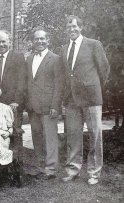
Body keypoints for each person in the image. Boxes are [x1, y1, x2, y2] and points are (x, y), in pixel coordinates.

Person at [62, 15, 110, 185]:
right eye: (69, 27)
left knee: (94, 135)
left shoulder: (93, 44)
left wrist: (93, 87)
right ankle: (73, 169)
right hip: (71, 100)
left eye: (75, 27)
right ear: (66, 29)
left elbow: (104, 69)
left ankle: (94, 173)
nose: (72, 30)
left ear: (81, 28)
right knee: (73, 135)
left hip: (91, 98)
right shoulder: (64, 48)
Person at [24, 27, 64, 179]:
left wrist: (55, 105)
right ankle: (40, 166)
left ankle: (51, 168)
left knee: (50, 138)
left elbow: (59, 84)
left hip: (48, 107)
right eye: (36, 39)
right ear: (33, 42)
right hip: (33, 107)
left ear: (48, 40)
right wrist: (28, 104)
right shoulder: (29, 59)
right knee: (37, 137)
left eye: (42, 39)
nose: (39, 41)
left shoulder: (55, 59)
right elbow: (29, 82)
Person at [0, 30, 27, 134]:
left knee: (15, 134)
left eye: (4, 41)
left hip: (13, 105)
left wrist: (16, 101)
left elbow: (22, 81)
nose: (1, 44)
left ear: (9, 42)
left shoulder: (18, 58)